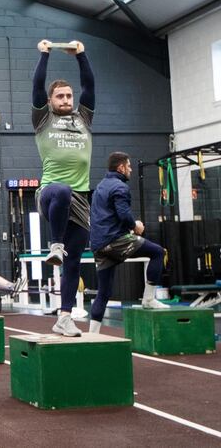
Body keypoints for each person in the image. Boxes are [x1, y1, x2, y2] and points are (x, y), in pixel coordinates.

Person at [32, 39, 95, 337]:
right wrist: (45, 54)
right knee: (61, 190)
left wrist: (81, 55)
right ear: (51, 100)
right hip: (50, 195)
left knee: (73, 264)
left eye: (69, 95)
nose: (67, 99)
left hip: (81, 200)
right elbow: (37, 85)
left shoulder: (83, 118)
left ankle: (65, 316)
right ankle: (54, 244)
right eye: (60, 96)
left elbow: (90, 85)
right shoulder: (43, 119)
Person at [88, 152, 169, 333]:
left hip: (99, 246)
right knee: (157, 252)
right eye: (129, 166)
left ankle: (92, 335)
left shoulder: (100, 187)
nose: (131, 169)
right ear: (121, 168)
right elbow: (124, 216)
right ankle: (148, 299)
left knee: (104, 293)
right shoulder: (120, 187)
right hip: (116, 241)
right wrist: (136, 226)